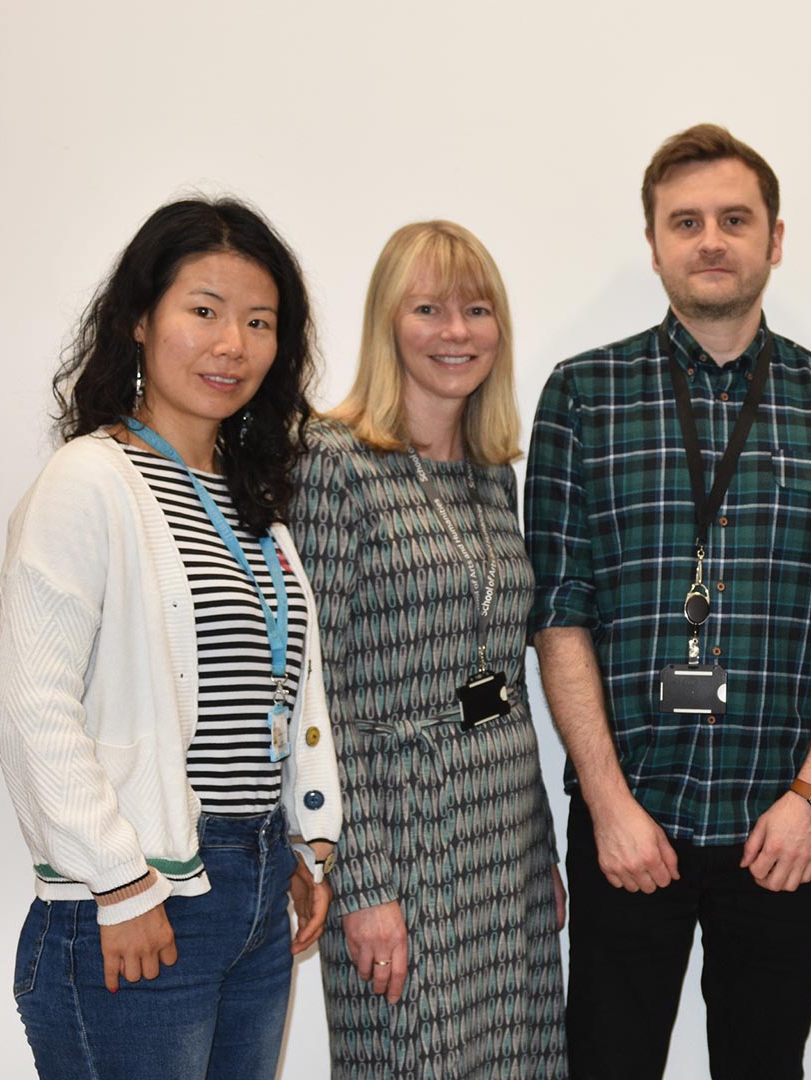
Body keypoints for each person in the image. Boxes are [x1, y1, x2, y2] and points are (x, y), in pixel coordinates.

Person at [525, 123, 811, 1080]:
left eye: (735, 219)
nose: (711, 241)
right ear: (653, 244)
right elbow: (559, 611)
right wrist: (608, 805)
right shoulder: (583, 396)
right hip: (629, 824)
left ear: (775, 239)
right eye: (684, 222)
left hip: (777, 827)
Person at [0, 197, 340, 1079]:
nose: (233, 344)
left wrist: (299, 843)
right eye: (205, 311)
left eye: (259, 322)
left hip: (254, 884)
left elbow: (279, 692)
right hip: (143, 892)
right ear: (139, 321)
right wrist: (119, 880)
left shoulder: (255, 505)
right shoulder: (90, 481)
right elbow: (32, 705)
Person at [289, 220, 566, 1077]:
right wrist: (360, 886)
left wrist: (544, 852)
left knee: (519, 1058)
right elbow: (311, 695)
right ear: (387, 324)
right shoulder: (332, 465)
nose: (456, 332)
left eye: (477, 310)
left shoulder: (492, 473)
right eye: (429, 309)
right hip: (399, 827)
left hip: (503, 825)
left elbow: (504, 678)